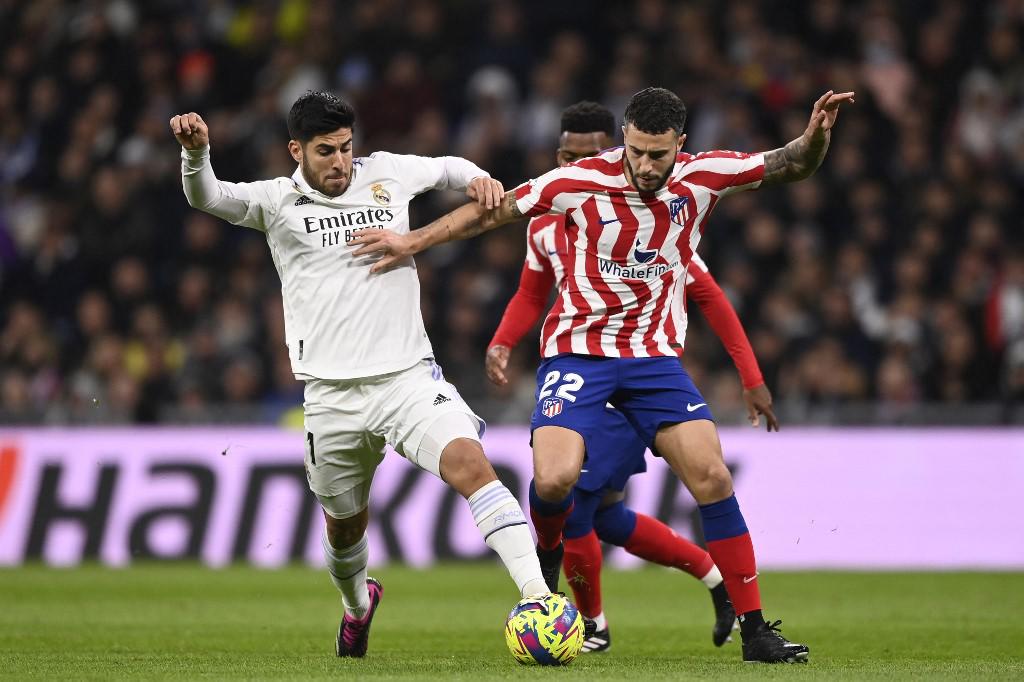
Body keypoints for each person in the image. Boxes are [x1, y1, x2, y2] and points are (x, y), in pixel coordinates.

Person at [352, 86, 854, 663]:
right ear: (625, 141)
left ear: (679, 147)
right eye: (636, 151)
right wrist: (412, 240)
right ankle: (546, 558)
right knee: (555, 481)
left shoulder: (704, 176)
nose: (645, 165)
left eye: (657, 155)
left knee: (712, 476)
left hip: (653, 361)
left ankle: (756, 629)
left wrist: (815, 138)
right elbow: (493, 212)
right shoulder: (577, 182)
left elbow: (790, 163)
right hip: (575, 355)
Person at [169, 90, 553, 659]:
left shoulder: (388, 173)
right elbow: (209, 198)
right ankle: (357, 606)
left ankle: (539, 599)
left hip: (407, 378)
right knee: (344, 528)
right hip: (329, 396)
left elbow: (449, 167)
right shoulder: (277, 201)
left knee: (474, 466)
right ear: (296, 150)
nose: (341, 163)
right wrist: (196, 155)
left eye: (347, 148)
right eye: (326, 152)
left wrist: (480, 179)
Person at [484, 102, 778, 653]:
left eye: (589, 154)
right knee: (604, 514)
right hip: (581, 365)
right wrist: (503, 340)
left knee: (580, 503)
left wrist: (750, 373)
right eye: (568, 156)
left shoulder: (656, 224)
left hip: (637, 375)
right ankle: (713, 580)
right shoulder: (548, 227)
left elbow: (709, 295)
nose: (579, 165)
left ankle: (589, 623)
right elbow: (530, 294)